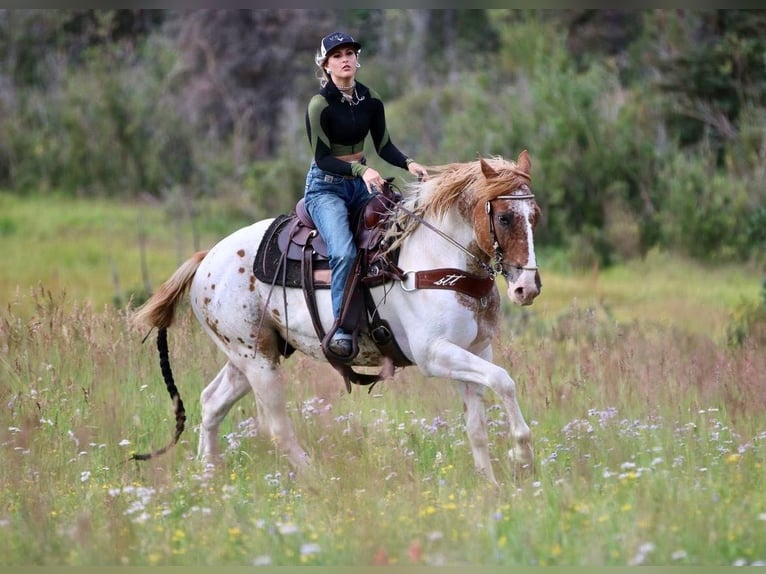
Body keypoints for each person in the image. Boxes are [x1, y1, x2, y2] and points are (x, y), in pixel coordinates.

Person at [304, 31, 428, 360]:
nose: (346, 59)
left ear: (357, 60)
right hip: (325, 187)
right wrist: (361, 171)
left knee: (400, 228)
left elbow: (383, 145)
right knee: (343, 252)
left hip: (362, 184)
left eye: (350, 53)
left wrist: (409, 163)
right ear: (326, 65)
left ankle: (397, 312)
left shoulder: (371, 100)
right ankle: (341, 329)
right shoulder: (320, 105)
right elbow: (322, 158)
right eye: (337, 55)